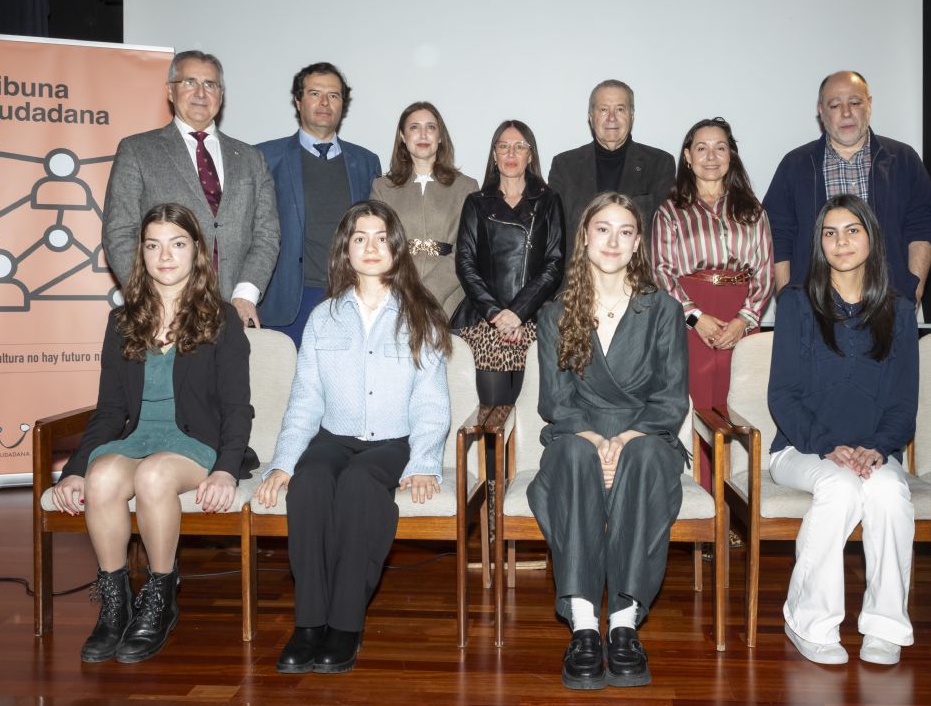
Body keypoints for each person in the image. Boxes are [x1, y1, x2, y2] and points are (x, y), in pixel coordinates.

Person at [52, 203, 257, 664]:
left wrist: (226, 470)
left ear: (196, 252)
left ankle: (161, 597)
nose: (165, 255)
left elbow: (236, 408)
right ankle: (115, 602)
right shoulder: (122, 322)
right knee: (103, 478)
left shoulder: (221, 320)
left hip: (194, 443)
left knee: (154, 477)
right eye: (153, 245)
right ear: (141, 254)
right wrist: (76, 470)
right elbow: (108, 412)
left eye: (177, 244)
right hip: (137, 437)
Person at [255, 200, 452, 674]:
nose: (370, 246)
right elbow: (305, 398)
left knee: (362, 486)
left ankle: (344, 625)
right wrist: (283, 461)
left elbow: (431, 402)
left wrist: (424, 462)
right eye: (359, 238)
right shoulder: (324, 317)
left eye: (381, 237)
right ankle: (308, 625)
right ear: (345, 249)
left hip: (392, 442)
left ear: (397, 249)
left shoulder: (420, 315)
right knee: (311, 484)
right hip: (333, 437)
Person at [527, 192, 688, 690]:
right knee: (573, 454)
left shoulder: (662, 308)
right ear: (585, 237)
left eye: (625, 231)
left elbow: (671, 396)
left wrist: (630, 436)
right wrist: (597, 439)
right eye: (602, 228)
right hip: (578, 432)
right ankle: (582, 626)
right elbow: (556, 400)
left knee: (641, 457)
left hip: (649, 434)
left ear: (638, 242)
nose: (613, 240)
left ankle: (622, 625)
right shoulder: (556, 313)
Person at [767, 194, 918, 666]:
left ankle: (885, 626)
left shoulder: (898, 308)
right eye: (829, 233)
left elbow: (903, 401)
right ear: (819, 243)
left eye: (852, 230)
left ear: (871, 237)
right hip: (801, 449)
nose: (841, 241)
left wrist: (876, 448)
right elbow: (782, 395)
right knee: (839, 489)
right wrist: (829, 446)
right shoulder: (795, 303)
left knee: (891, 494)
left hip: (873, 452)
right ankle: (808, 621)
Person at [102, 50, 280, 328]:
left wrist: (245, 294)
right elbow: (119, 231)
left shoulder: (251, 158)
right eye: (189, 82)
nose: (200, 92)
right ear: (170, 92)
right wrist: (149, 298)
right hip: (163, 312)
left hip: (234, 311)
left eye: (210, 84)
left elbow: (267, 233)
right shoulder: (137, 150)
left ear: (221, 95)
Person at [651, 117, 772, 490]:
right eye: (701, 148)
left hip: (741, 316)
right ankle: (703, 504)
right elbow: (660, 271)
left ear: (731, 155)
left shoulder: (753, 210)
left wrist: (743, 320)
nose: (711, 156)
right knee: (699, 408)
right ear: (687, 157)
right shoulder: (670, 211)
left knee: (739, 406)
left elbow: (764, 270)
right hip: (691, 318)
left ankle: (737, 503)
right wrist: (695, 318)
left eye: (720, 147)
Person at [762, 71, 931, 303]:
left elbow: (922, 225)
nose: (846, 113)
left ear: (869, 104)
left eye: (855, 103)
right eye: (835, 105)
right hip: (814, 303)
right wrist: (787, 297)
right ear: (821, 111)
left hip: (889, 298)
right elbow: (777, 233)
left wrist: (913, 288)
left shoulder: (902, 159)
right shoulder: (796, 164)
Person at [257, 62, 381, 345]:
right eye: (315, 93)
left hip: (349, 297)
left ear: (343, 104)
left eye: (334, 95)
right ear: (299, 101)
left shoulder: (366, 162)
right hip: (289, 300)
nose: (325, 102)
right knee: (285, 388)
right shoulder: (265, 157)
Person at [451, 120, 564, 407]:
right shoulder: (476, 202)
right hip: (485, 321)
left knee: (531, 420)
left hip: (534, 320)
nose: (511, 154)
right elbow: (465, 263)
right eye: (503, 146)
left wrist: (518, 313)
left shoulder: (549, 201)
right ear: (494, 154)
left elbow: (554, 263)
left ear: (530, 155)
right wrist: (497, 314)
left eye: (519, 147)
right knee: (490, 420)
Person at [371, 101, 478, 319]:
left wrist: (429, 292)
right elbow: (378, 246)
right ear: (402, 136)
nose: (423, 134)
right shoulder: (382, 188)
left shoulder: (466, 187)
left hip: (448, 300)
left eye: (430, 127)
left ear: (440, 137)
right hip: (395, 296)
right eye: (414, 127)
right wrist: (406, 292)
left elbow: (468, 250)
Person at [547, 79, 675, 250]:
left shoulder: (659, 164)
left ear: (632, 115)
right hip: (578, 274)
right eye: (604, 109)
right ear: (591, 117)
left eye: (620, 109)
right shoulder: (564, 166)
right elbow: (555, 237)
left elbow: (663, 236)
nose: (612, 117)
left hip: (637, 274)